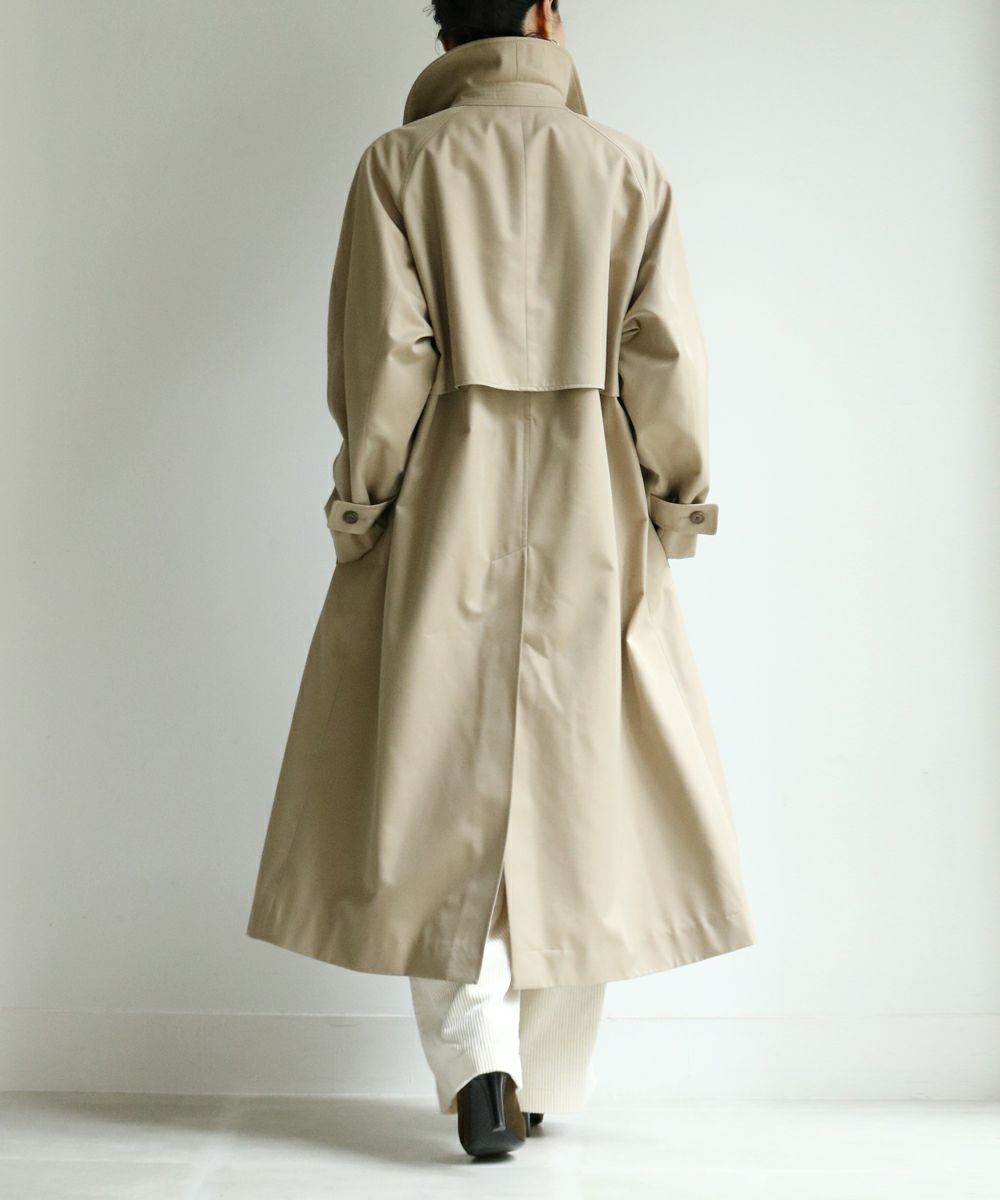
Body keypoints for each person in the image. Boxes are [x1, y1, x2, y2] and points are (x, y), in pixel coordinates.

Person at [246, 0, 756, 1159]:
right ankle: (543, 1075)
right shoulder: (627, 168)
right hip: (592, 506)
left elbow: (385, 361)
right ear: (543, 16)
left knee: (436, 785)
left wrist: (365, 502)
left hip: (444, 502)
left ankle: (481, 1065)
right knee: (581, 790)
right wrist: (674, 501)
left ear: (446, 35)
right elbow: (665, 361)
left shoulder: (397, 166)